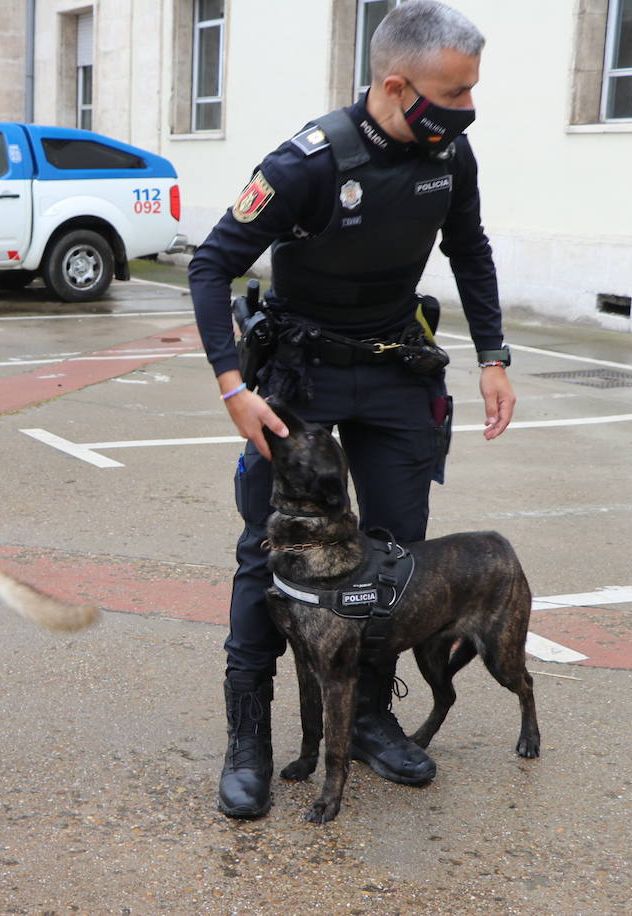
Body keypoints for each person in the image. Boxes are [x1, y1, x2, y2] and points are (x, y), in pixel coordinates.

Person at [188, 0, 515, 819]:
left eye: (474, 91)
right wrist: (234, 386)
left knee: (396, 555)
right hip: (302, 380)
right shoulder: (308, 162)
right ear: (397, 85)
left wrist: (495, 357)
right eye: (455, 93)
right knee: (269, 552)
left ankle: (367, 715)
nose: (467, 109)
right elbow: (211, 265)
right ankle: (249, 736)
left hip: (396, 371)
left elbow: (469, 248)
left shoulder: (452, 152)